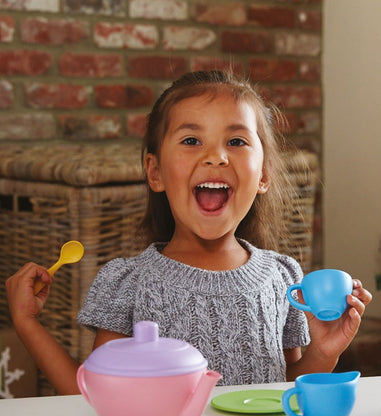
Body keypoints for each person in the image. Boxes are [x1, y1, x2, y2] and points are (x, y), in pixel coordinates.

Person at [6, 70, 372, 395]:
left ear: (264, 175)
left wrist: (325, 352)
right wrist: (27, 322)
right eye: (192, 141)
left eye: (237, 141)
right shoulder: (128, 283)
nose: (216, 156)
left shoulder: (284, 279)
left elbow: (285, 392)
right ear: (155, 173)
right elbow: (93, 396)